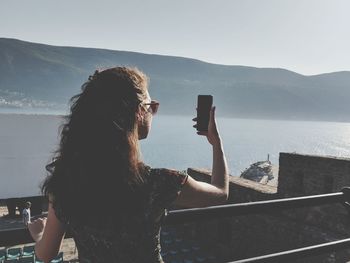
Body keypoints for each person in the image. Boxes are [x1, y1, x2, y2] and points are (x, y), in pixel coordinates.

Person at [28, 67, 228, 263]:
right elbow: (220, 193)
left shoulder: (66, 181)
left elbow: (46, 254)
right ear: (139, 112)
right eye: (152, 106)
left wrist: (39, 234)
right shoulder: (158, 183)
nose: (153, 112)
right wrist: (216, 143)